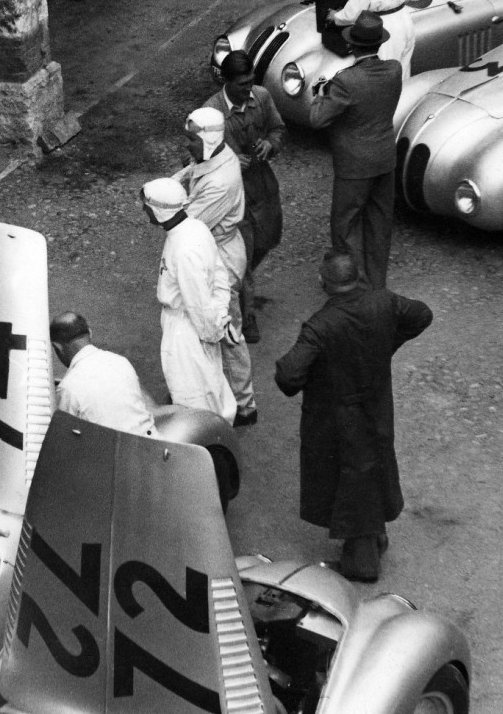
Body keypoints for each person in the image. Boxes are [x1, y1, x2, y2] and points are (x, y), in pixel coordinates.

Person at [274, 251, 432, 583]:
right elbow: (422, 315)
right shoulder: (384, 303)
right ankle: (374, 537)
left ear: (323, 283)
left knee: (350, 478)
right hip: (376, 404)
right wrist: (387, 344)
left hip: (336, 414)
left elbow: (288, 375)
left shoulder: (320, 326)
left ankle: (362, 563)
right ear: (357, 276)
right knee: (372, 468)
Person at [172, 106, 258, 426]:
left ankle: (244, 402)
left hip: (219, 257)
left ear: (209, 139)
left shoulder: (220, 181)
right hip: (214, 251)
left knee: (226, 330)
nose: (187, 146)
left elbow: (187, 223)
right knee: (204, 326)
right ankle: (206, 391)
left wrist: (166, 199)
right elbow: (191, 170)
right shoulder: (215, 157)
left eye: (191, 140)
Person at [309, 11, 401, 291]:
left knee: (346, 226)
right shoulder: (394, 70)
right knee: (379, 224)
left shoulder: (345, 81)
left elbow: (317, 119)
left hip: (353, 165)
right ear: (378, 43)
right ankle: (376, 284)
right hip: (385, 158)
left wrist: (321, 94)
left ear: (352, 45)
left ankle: (353, 286)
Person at [206, 50, 286, 344]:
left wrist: (270, 144)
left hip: (262, 186)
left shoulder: (262, 97)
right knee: (242, 257)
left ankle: (237, 284)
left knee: (270, 239)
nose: (248, 89)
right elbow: (192, 159)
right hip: (231, 199)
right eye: (242, 84)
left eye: (251, 81)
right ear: (226, 83)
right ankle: (245, 315)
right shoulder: (210, 114)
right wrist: (225, 159)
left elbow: (278, 129)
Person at [141, 177, 236, 424]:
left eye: (146, 207)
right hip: (194, 322)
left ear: (158, 210)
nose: (144, 211)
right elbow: (220, 276)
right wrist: (220, 315)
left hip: (187, 330)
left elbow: (198, 303)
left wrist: (212, 331)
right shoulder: (196, 228)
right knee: (206, 384)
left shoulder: (184, 250)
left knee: (192, 396)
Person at [49, 311, 155, 436]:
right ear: (90, 333)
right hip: (149, 444)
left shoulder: (68, 387)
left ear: (57, 347)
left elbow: (62, 438)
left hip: (111, 452)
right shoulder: (121, 362)